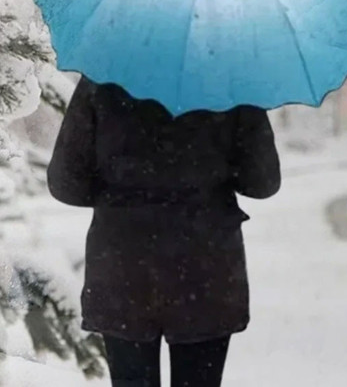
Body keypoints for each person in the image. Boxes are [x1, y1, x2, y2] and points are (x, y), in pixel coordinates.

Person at [47, 78, 280, 387]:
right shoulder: (228, 77)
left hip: (124, 269)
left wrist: (121, 192)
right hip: (205, 268)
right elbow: (263, 182)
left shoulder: (104, 76)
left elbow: (66, 183)